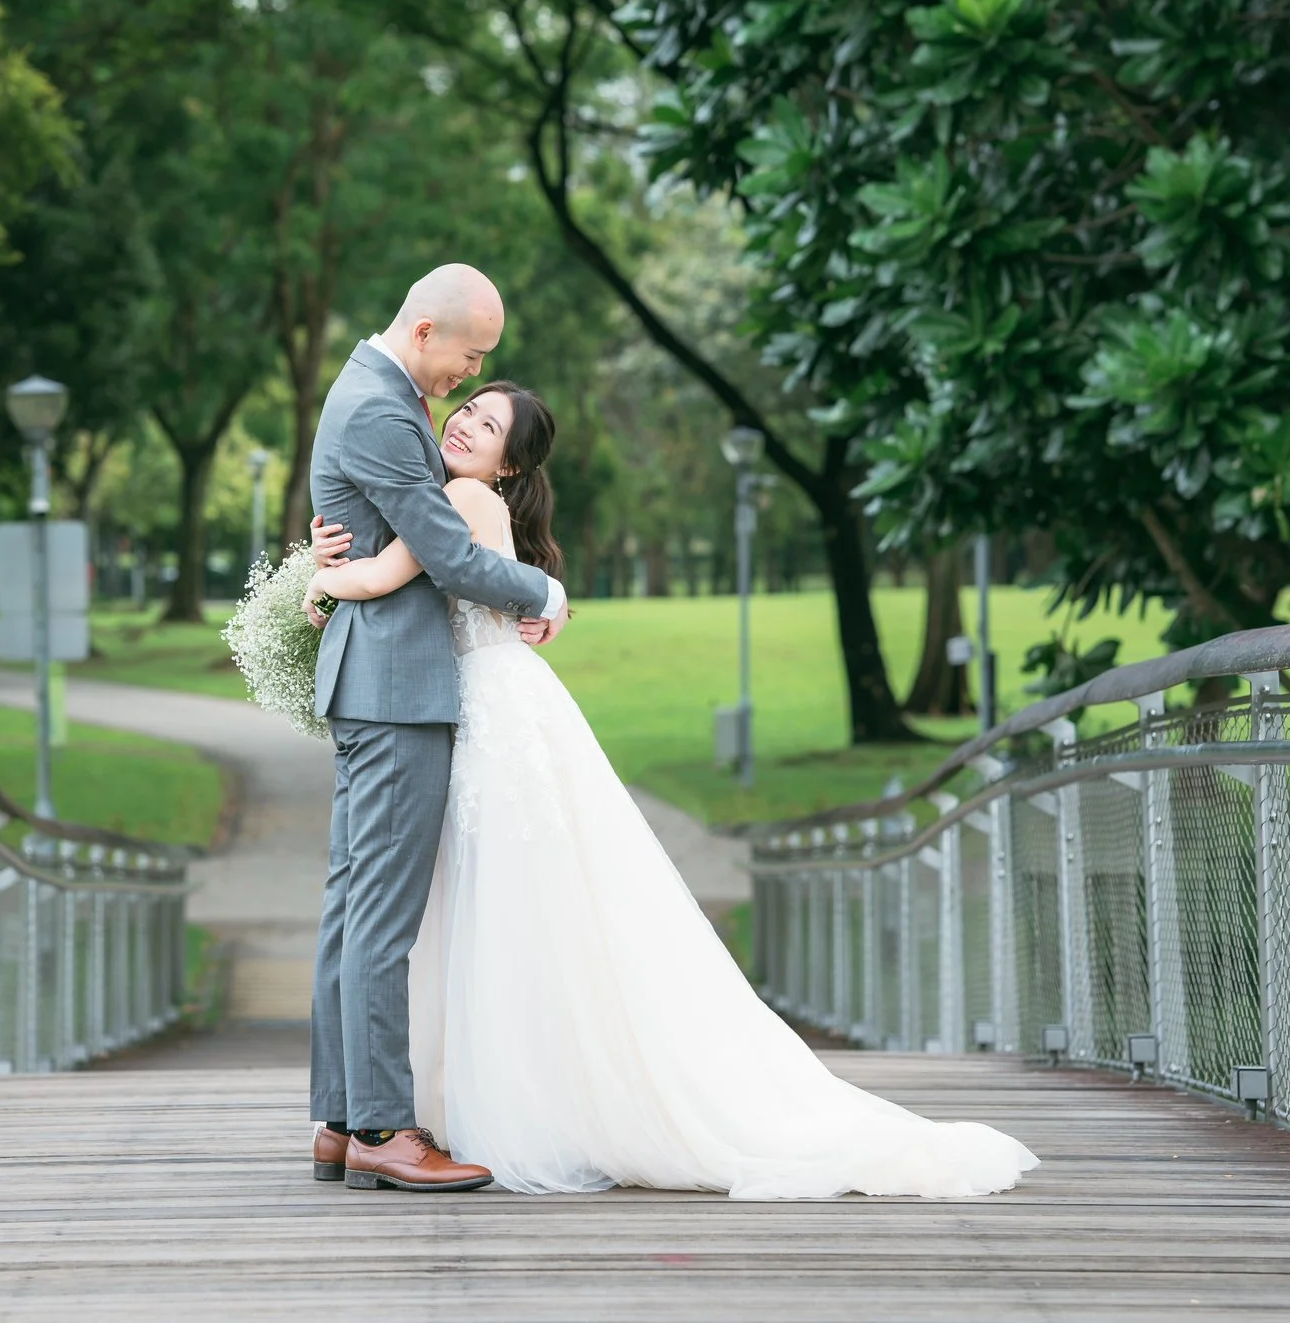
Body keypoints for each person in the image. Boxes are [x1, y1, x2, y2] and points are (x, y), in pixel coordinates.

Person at [305, 378, 1040, 1199]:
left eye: (488, 424)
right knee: (494, 906)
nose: (466, 422)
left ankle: (468, 1106)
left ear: (508, 465)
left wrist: (318, 577)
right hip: (477, 706)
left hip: (488, 714)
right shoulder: (449, 495)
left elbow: (387, 576)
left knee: (499, 907)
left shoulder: (465, 499)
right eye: (467, 408)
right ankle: (439, 1104)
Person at [303, 264, 568, 1192]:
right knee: (380, 916)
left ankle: (341, 1118)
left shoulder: (376, 392)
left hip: (382, 684)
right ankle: (379, 1125)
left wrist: (322, 571)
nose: (471, 372)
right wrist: (546, 589)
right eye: (471, 353)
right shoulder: (381, 408)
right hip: (397, 689)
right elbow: (449, 556)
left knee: (351, 907)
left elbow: (381, 541)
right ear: (425, 331)